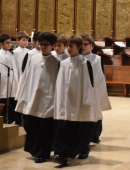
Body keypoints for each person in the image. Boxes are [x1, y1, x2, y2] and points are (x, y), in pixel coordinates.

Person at [53, 35, 102, 166]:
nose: (68, 49)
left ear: (79, 47)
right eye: (67, 46)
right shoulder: (63, 63)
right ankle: (62, 154)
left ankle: (82, 149)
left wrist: (87, 102)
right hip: (66, 101)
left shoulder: (85, 64)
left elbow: (89, 85)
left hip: (80, 101)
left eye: (71, 46)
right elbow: (59, 83)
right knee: (65, 127)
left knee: (81, 127)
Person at [15, 32, 59, 163]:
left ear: (52, 45)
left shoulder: (56, 62)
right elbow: (27, 79)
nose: (43, 47)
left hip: (48, 100)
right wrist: (24, 97)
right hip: (33, 98)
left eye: (46, 45)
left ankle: (43, 153)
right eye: (41, 44)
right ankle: (34, 149)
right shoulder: (33, 59)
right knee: (32, 125)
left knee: (45, 128)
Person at [81, 34, 111, 143]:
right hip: (81, 91)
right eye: (81, 44)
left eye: (86, 44)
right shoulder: (75, 59)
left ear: (91, 46)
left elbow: (101, 76)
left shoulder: (97, 59)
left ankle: (95, 135)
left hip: (95, 90)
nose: (83, 47)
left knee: (96, 113)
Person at [0, 34, 20, 124]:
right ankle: (7, 119)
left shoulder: (11, 54)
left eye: (10, 43)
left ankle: (13, 119)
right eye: (7, 43)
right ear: (1, 44)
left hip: (13, 81)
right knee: (5, 101)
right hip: (4, 82)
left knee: (12, 100)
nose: (9, 45)